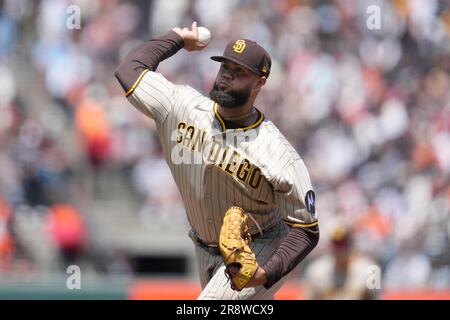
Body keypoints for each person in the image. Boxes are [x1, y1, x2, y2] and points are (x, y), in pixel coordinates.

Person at [115, 21, 319, 300]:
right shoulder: (182, 106)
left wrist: (267, 274)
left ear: (259, 82)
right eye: (225, 68)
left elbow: (306, 230)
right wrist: (176, 38)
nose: (226, 77)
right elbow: (130, 70)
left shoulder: (278, 154)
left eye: (239, 73)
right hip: (201, 245)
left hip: (259, 245)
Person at [303, 225, 378, 300]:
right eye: (337, 244)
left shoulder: (370, 270)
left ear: (351, 244)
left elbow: (376, 297)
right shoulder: (316, 270)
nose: (340, 249)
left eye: (343, 244)